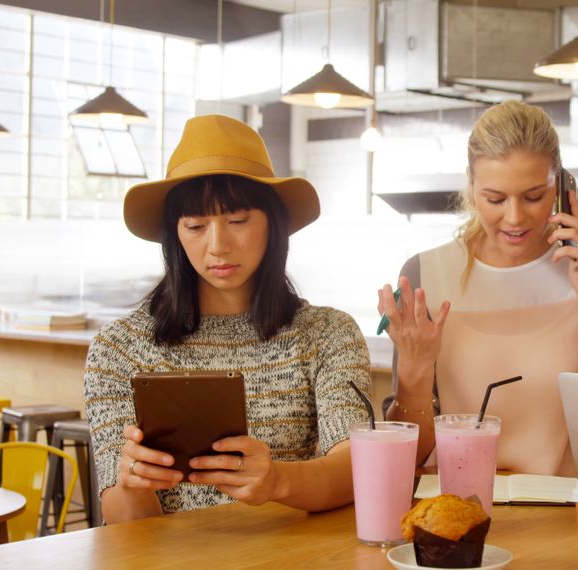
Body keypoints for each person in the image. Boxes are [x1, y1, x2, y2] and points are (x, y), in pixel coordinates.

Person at [84, 115, 371, 523]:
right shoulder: (118, 350)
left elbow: (355, 469)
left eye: (237, 221)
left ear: (274, 224)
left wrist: (278, 481)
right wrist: (131, 481)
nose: (217, 245)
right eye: (196, 225)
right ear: (175, 235)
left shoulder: (328, 335)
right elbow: (128, 529)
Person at [379, 101, 578, 475]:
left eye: (534, 196)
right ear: (471, 186)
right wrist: (415, 370)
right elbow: (412, 457)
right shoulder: (426, 274)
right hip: (458, 506)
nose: (515, 218)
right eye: (495, 199)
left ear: (562, 185)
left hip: (567, 510)